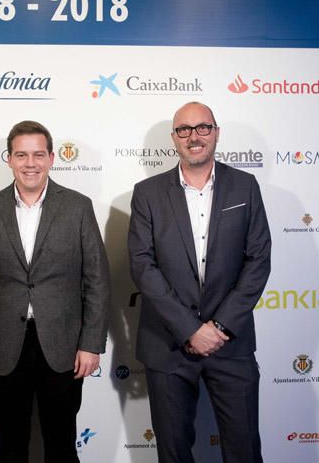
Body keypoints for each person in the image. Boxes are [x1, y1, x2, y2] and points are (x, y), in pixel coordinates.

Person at [0, 120, 110, 463]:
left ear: (52, 157)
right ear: (9, 159)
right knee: (9, 449)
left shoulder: (78, 207)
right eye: (22, 155)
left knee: (61, 447)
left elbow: (97, 280)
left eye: (38, 154)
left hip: (62, 345)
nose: (31, 163)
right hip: (3, 345)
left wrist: (90, 343)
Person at [128, 102, 271, 463]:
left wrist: (219, 326)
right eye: (184, 130)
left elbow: (258, 261)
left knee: (244, 451)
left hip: (231, 343)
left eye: (203, 128)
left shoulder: (245, 186)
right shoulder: (147, 193)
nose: (195, 137)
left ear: (216, 132)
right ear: (174, 139)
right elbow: (143, 267)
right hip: (169, 345)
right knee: (173, 454)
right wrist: (191, 329)